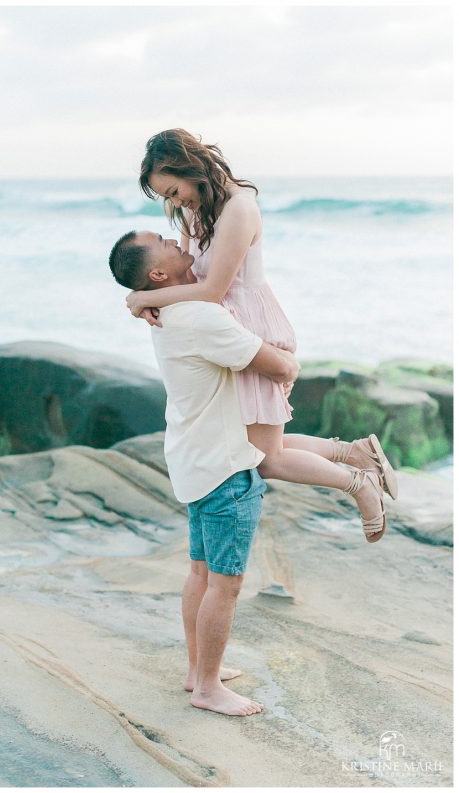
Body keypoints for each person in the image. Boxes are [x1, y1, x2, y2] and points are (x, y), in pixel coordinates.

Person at [125, 128, 398, 543]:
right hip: (224, 332)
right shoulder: (196, 211)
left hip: (251, 329)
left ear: (190, 166)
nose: (175, 202)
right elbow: (190, 275)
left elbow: (213, 288)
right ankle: (352, 453)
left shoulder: (238, 209)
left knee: (267, 459)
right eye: (167, 195)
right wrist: (150, 298)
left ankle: (359, 483)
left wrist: (144, 298)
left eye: (174, 189)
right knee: (263, 446)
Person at [109, 228, 301, 717]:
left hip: (194, 458)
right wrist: (289, 358)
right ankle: (209, 688)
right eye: (167, 244)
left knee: (200, 572)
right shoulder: (197, 314)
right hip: (225, 465)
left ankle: (198, 670)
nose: (180, 243)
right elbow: (277, 366)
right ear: (158, 273)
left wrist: (139, 298)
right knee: (225, 583)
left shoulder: (169, 311)